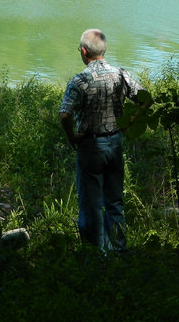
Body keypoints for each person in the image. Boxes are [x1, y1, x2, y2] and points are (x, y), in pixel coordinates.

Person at [59, 28, 141, 250]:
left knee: (91, 205)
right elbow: (146, 98)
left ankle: (95, 254)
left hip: (90, 146)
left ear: (84, 51)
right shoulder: (120, 74)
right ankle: (119, 250)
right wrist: (130, 122)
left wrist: (71, 137)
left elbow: (64, 115)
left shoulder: (80, 81)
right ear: (103, 50)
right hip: (115, 143)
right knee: (114, 201)